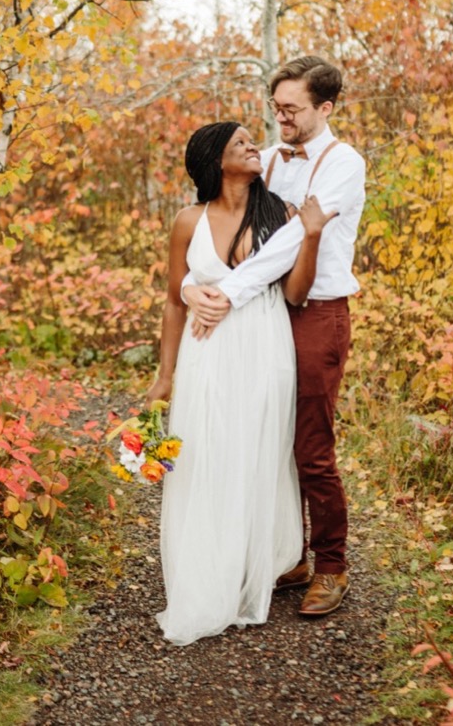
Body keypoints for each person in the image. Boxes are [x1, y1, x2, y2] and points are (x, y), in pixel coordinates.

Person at [184, 55, 365, 618]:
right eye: (276, 106)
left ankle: (330, 565)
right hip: (261, 313)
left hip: (315, 312)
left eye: (292, 109)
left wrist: (225, 294)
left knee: (310, 447)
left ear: (324, 108)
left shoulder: (344, 164)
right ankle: (287, 552)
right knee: (262, 436)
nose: (279, 118)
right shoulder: (265, 156)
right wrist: (194, 284)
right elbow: (225, 221)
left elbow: (288, 243)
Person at [144, 121, 337, 646]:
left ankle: (256, 567)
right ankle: (207, 573)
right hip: (206, 352)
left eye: (254, 140)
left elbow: (295, 294)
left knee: (257, 454)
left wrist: (312, 234)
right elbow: (170, 298)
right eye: (240, 143)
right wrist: (166, 376)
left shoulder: (278, 214)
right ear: (214, 160)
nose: (254, 147)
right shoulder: (189, 220)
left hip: (264, 344)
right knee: (206, 455)